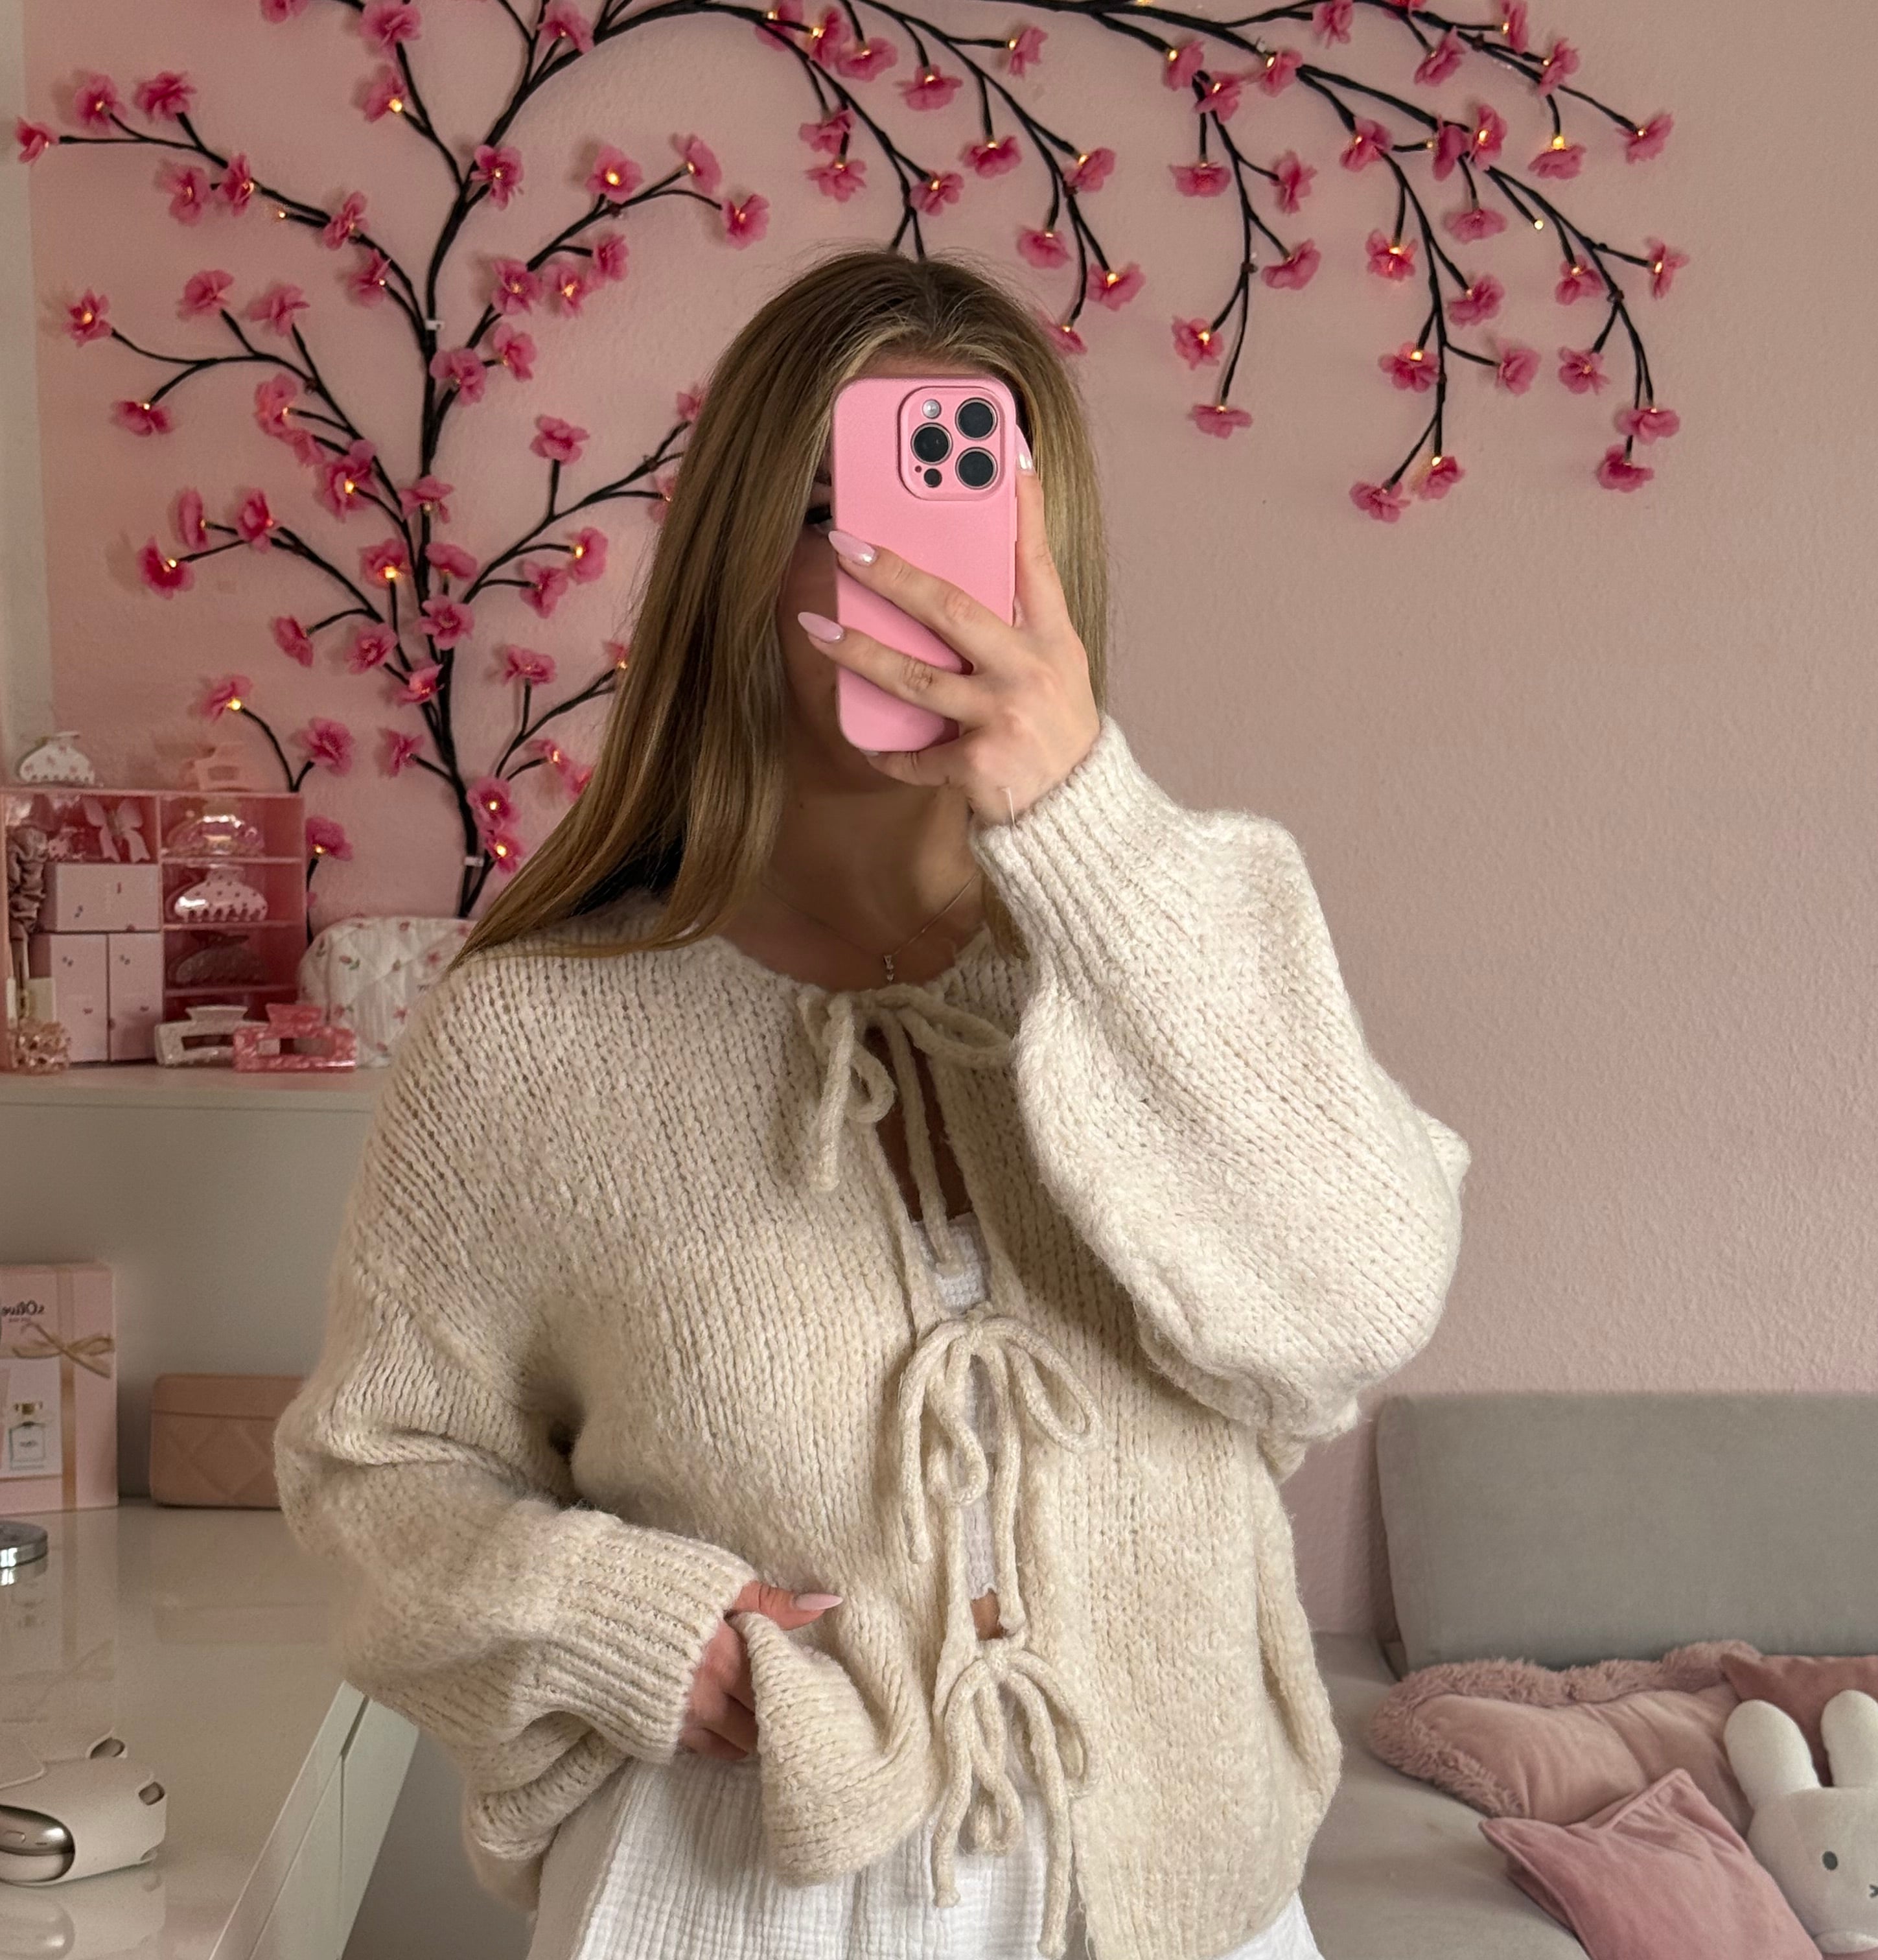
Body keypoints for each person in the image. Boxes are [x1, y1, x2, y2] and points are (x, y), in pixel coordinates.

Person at [272, 245, 1471, 1960]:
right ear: (733, 557)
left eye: (966, 509)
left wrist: (1086, 824)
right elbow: (373, 1476)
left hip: (1179, 1906)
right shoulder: (535, 1035)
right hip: (731, 1899)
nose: (896, 570)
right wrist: (627, 1619)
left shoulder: (1180, 944)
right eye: (832, 509)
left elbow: (1356, 1302)